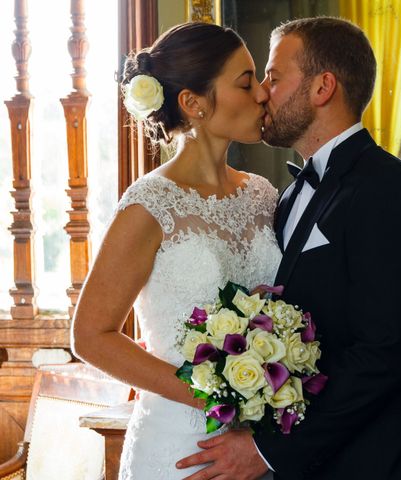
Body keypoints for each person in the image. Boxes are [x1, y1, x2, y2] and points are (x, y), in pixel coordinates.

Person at [176, 16, 401, 480]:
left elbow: (386, 351)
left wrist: (268, 452)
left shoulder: (387, 189)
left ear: (323, 88)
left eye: (274, 78)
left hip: (375, 463)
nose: (262, 92)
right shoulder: (286, 194)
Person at [71, 22, 278, 479]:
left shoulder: (263, 195)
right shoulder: (150, 204)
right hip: (181, 448)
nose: (262, 94)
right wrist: (214, 395)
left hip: (260, 448)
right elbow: (89, 335)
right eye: (246, 83)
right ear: (194, 103)